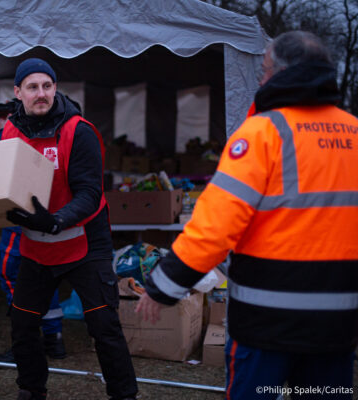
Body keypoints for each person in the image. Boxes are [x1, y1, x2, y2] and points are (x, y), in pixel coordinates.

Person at [136, 31, 358, 400]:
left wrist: (163, 287)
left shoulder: (262, 135)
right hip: (337, 325)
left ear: (284, 74)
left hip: (265, 323)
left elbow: (213, 229)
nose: (261, 80)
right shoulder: (354, 134)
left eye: (265, 71)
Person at [3, 58, 138, 400]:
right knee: (22, 325)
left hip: (83, 244)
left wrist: (57, 219)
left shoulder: (79, 131)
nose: (41, 93)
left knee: (104, 327)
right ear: (17, 93)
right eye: (32, 87)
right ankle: (31, 390)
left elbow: (91, 194)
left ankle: (124, 395)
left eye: (47, 86)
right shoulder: (9, 131)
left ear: (56, 89)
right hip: (36, 245)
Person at [0, 113, 67, 363]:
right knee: (46, 279)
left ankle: (26, 344)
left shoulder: (19, 131)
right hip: (45, 216)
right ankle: (53, 340)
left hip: (20, 217)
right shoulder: (58, 131)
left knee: (11, 275)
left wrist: (5, 126)